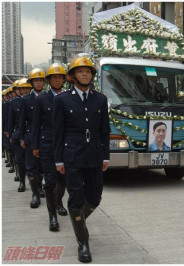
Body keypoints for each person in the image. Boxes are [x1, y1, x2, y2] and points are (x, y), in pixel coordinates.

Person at [53, 57, 110, 262]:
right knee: (76, 199)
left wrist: (106, 156)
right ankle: (82, 242)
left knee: (95, 198)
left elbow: (105, 131)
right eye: (80, 71)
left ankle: (78, 219)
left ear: (92, 75)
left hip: (95, 155)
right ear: (73, 76)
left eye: (88, 71)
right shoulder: (62, 100)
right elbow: (58, 133)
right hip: (72, 156)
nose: (85, 74)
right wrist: (58, 160)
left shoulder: (101, 100)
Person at [31, 64, 68, 232]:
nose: (57, 79)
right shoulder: (41, 99)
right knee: (50, 181)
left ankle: (59, 201)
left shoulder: (69, 97)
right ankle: (52, 216)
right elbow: (36, 124)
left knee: (63, 180)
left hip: (66, 146)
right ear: (49, 80)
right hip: (47, 145)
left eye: (60, 77)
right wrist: (35, 145)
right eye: (54, 77)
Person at [19, 69, 45, 208]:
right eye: (36, 80)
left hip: (45, 137)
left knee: (42, 167)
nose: (39, 83)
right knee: (31, 166)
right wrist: (22, 138)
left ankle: (39, 187)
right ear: (31, 83)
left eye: (41, 80)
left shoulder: (49, 97)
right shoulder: (26, 100)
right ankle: (35, 194)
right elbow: (22, 120)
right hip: (30, 137)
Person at [8, 79, 31, 193]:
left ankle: (38, 187)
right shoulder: (13, 103)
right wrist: (10, 133)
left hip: (31, 134)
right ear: (18, 90)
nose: (25, 90)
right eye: (23, 88)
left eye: (27, 88)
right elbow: (11, 119)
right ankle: (22, 182)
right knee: (20, 160)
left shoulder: (35, 100)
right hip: (18, 134)